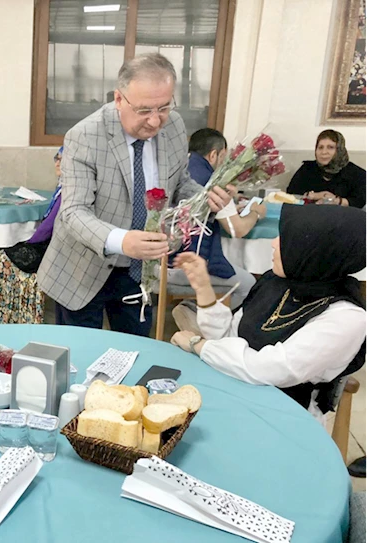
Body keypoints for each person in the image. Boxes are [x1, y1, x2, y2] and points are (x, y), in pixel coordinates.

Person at [37, 53, 232, 336]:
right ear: (119, 99)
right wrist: (122, 240)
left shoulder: (174, 127)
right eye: (144, 111)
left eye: (164, 107)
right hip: (83, 268)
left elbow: (180, 184)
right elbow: (73, 212)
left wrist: (206, 198)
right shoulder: (85, 136)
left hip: (140, 271)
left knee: (135, 352)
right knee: (79, 357)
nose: (155, 121)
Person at [171, 205, 366, 421]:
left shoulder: (347, 317)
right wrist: (203, 289)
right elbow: (228, 336)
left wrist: (198, 344)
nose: (273, 243)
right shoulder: (276, 282)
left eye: (286, 238)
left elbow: (273, 370)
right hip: (235, 385)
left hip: (283, 412)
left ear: (317, 250)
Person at [169, 128, 261, 317]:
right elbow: (237, 229)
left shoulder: (179, 169)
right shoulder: (211, 182)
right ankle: (197, 315)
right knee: (249, 285)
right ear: (213, 154)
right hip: (186, 264)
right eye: (223, 158)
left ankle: (191, 308)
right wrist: (255, 212)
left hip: (161, 260)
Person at [0, 147, 63, 324]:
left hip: (52, 248)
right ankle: (4, 314)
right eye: (56, 158)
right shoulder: (62, 187)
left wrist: (30, 242)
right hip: (50, 243)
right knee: (4, 254)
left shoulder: (67, 190)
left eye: (62, 159)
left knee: (2, 258)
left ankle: (11, 315)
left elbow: (48, 227)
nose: (57, 162)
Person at [286, 130, 366, 208]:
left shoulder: (356, 173)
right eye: (320, 147)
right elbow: (291, 194)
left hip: (342, 218)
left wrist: (336, 201)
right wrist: (315, 196)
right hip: (309, 216)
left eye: (330, 147)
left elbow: (359, 201)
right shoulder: (307, 169)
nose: (324, 152)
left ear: (340, 150)